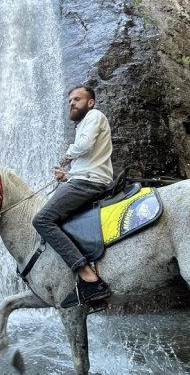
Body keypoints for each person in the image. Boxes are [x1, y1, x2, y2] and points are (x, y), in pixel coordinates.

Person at [32, 85, 114, 308]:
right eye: (69, 100)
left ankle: (88, 276)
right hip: (83, 179)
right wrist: (67, 176)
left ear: (91, 102)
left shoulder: (95, 115)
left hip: (90, 182)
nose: (72, 103)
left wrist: (66, 157)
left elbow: (84, 146)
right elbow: (88, 160)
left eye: (77, 99)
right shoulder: (84, 125)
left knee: (42, 220)